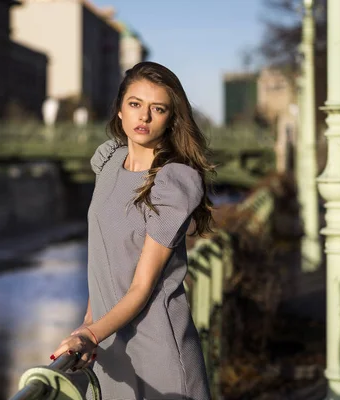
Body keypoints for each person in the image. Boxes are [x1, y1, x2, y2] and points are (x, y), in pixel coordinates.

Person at [50, 62, 213, 399]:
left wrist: (91, 334)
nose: (145, 117)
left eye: (158, 109)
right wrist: (88, 324)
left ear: (171, 118)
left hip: (160, 354)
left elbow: (141, 286)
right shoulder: (108, 163)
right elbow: (105, 260)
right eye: (135, 104)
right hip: (111, 348)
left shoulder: (173, 181)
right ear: (120, 111)